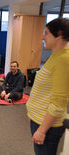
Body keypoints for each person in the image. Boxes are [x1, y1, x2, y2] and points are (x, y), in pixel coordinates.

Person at [26, 18, 69, 155]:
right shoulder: (56, 55)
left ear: (59, 34)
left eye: (46, 33)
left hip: (47, 126)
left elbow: (59, 102)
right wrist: (32, 114)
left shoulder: (63, 59)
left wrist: (42, 130)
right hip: (38, 119)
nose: (43, 37)